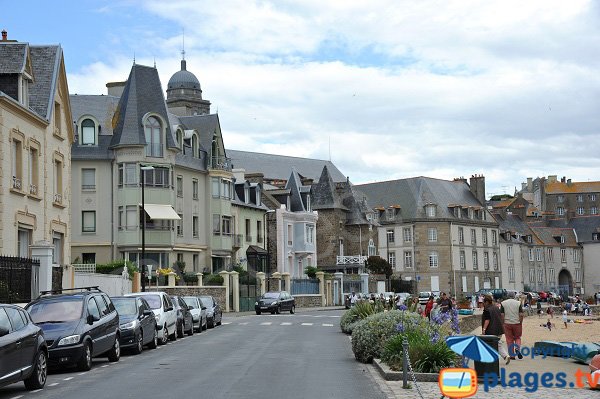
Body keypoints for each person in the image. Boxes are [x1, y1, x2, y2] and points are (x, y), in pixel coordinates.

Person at [482, 294, 510, 364]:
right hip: (499, 329)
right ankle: (506, 356)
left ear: (487, 302)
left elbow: (487, 320)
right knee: (498, 344)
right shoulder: (496, 307)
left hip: (491, 330)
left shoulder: (487, 309)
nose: (483, 304)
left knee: (489, 344)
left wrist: (484, 329)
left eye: (484, 302)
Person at [501, 291, 524, 360]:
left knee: (509, 339)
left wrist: (503, 323)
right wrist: (520, 322)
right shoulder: (518, 303)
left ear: (508, 296)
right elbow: (521, 315)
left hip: (507, 323)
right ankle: (517, 348)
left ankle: (512, 355)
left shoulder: (503, 303)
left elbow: (502, 315)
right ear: (514, 296)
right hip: (517, 323)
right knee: (517, 337)